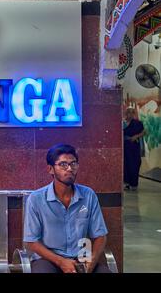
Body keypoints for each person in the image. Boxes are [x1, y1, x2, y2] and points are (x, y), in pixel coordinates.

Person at [23, 144, 111, 273]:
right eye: (63, 164)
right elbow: (31, 241)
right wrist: (61, 262)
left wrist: (91, 260)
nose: (69, 169)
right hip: (49, 260)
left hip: (81, 258)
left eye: (73, 164)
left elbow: (100, 235)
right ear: (50, 169)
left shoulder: (88, 195)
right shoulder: (36, 199)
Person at [123, 107, 145, 191]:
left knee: (135, 164)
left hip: (134, 146)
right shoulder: (123, 123)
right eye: (128, 113)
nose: (130, 115)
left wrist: (136, 136)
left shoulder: (138, 123)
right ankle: (127, 183)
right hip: (125, 146)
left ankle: (134, 184)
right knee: (126, 165)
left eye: (132, 113)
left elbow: (143, 132)